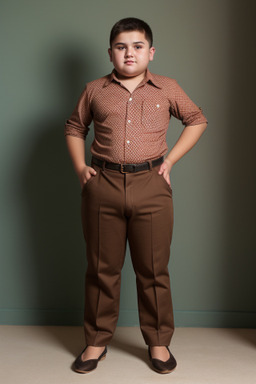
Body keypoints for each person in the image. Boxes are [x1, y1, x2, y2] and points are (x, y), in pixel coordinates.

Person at [64, 17, 207, 374]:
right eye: (121, 46)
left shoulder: (168, 88)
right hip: (104, 185)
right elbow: (74, 127)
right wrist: (81, 168)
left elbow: (197, 119)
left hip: (151, 185)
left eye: (137, 46)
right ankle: (96, 342)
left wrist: (170, 160)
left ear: (151, 52)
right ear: (110, 52)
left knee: (154, 270)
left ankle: (158, 343)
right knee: (101, 269)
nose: (130, 53)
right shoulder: (95, 89)